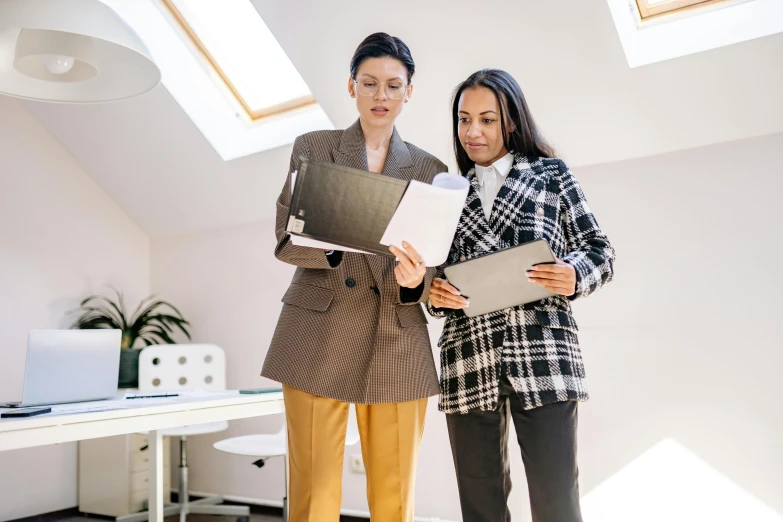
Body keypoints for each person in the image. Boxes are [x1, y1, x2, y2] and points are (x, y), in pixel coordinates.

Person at [261, 32, 448, 522]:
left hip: (395, 337)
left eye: (392, 85)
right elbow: (286, 239)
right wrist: (332, 242)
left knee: (394, 498)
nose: (380, 96)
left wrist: (416, 279)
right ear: (351, 88)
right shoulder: (315, 148)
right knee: (314, 493)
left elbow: (435, 271)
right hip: (318, 330)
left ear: (409, 91)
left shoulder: (431, 169)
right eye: (369, 83)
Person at [428, 68, 616, 522]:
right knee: (480, 506)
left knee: (557, 501)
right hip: (469, 358)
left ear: (511, 120)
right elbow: (432, 277)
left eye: (487, 120)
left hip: (544, 354)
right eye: (463, 119)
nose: (472, 132)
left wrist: (574, 273)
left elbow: (600, 252)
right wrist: (437, 293)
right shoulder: (447, 192)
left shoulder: (550, 175)